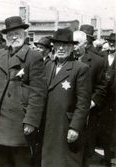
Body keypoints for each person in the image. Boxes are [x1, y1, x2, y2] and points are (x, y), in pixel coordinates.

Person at [0, 16, 47, 167]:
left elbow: (38, 92)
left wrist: (31, 120)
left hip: (18, 121)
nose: (14, 37)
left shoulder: (33, 56)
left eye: (17, 33)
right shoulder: (0, 54)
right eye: (10, 35)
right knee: (0, 162)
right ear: (6, 38)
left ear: (25, 35)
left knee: (21, 162)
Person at [42, 28, 92, 167]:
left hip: (65, 126)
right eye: (58, 45)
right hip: (47, 125)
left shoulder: (80, 68)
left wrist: (75, 127)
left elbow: (83, 102)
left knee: (65, 161)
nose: (61, 48)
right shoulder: (48, 65)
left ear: (72, 47)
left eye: (65, 45)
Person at [73, 31, 107, 166]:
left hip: (87, 112)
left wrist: (90, 104)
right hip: (66, 110)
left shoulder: (97, 61)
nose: (74, 47)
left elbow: (101, 88)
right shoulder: (65, 59)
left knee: (85, 148)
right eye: (72, 43)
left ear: (85, 44)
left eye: (77, 44)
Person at [97, 33, 116, 166]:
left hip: (115, 100)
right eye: (110, 41)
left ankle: (110, 156)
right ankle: (106, 156)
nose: (112, 44)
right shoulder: (101, 56)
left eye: (115, 42)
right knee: (104, 128)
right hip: (103, 99)